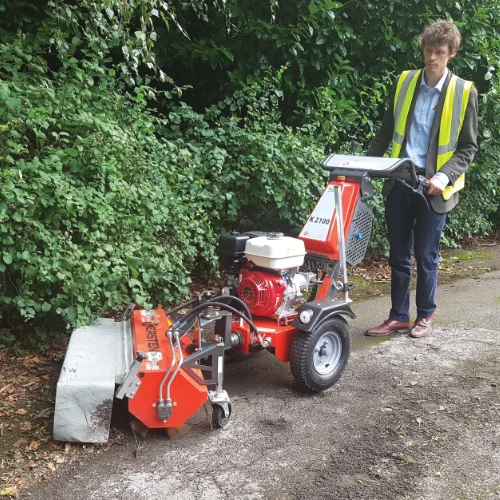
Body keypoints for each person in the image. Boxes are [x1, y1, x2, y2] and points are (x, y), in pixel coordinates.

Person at [365, 20, 478, 338]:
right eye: (428, 50)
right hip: (401, 181)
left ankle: (425, 315)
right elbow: (386, 131)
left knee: (426, 255)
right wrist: (363, 163)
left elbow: (468, 147)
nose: (432, 58)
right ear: (423, 48)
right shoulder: (404, 82)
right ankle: (399, 315)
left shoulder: (463, 91)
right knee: (398, 255)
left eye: (439, 52)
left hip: (434, 188)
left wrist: (444, 176)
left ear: (451, 53)